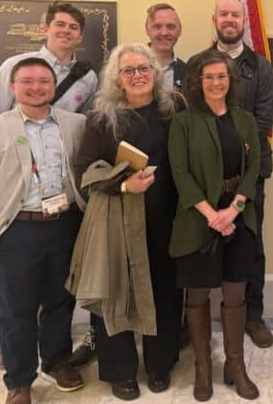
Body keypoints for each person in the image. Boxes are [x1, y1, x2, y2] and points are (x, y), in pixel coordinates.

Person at [72, 44, 183, 400]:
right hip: (118, 220)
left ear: (155, 71)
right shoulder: (102, 117)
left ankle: (159, 364)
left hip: (166, 217)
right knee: (116, 295)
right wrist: (123, 184)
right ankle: (120, 371)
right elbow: (84, 171)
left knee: (165, 292)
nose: (137, 75)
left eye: (143, 68)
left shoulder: (175, 109)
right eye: (128, 70)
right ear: (117, 78)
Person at [0, 57, 87, 404]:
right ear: (13, 86)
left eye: (43, 81)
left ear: (54, 86)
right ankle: (19, 380)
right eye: (27, 81)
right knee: (16, 308)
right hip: (16, 231)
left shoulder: (76, 124)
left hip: (66, 225)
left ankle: (56, 361)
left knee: (60, 301)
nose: (36, 87)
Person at [168, 50, 261, 401]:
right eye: (209, 77)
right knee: (198, 293)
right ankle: (203, 366)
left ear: (231, 80)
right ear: (197, 82)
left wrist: (234, 210)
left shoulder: (246, 120)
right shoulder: (184, 121)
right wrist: (212, 215)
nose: (216, 83)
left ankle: (235, 365)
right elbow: (180, 172)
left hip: (237, 216)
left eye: (222, 76)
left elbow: (255, 167)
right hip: (198, 219)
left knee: (235, 291)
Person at [190, 0, 273, 348]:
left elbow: (264, 118)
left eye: (235, 14)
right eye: (223, 14)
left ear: (245, 20)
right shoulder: (196, 63)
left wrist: (242, 169)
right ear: (214, 19)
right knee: (199, 243)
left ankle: (251, 315)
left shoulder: (261, 66)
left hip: (249, 173)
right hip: (203, 176)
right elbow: (191, 116)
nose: (229, 19)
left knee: (250, 244)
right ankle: (195, 317)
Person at [0, 0, 98, 121]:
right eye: (60, 24)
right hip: (16, 139)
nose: (66, 30)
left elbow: (84, 124)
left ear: (80, 37)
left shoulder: (89, 78)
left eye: (73, 27)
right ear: (45, 29)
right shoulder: (14, 65)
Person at [145, 3, 187, 91]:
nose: (164, 33)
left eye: (171, 27)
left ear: (180, 31)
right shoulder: (131, 68)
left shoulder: (188, 72)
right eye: (157, 26)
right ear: (147, 30)